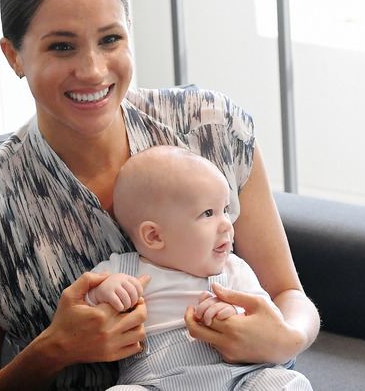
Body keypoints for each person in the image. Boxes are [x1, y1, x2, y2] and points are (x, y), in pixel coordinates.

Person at [0, 0, 320, 389]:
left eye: (110, 39)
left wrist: (286, 339)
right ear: (14, 56)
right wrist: (54, 349)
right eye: (62, 46)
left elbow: (287, 292)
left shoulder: (210, 128)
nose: (93, 69)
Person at [85, 145, 312, 390]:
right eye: (207, 213)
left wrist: (234, 315)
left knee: (285, 383)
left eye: (225, 210)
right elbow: (82, 306)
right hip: (157, 383)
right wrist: (104, 291)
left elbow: (267, 321)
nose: (226, 223)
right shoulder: (123, 270)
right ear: (153, 235)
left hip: (240, 378)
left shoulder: (234, 270)